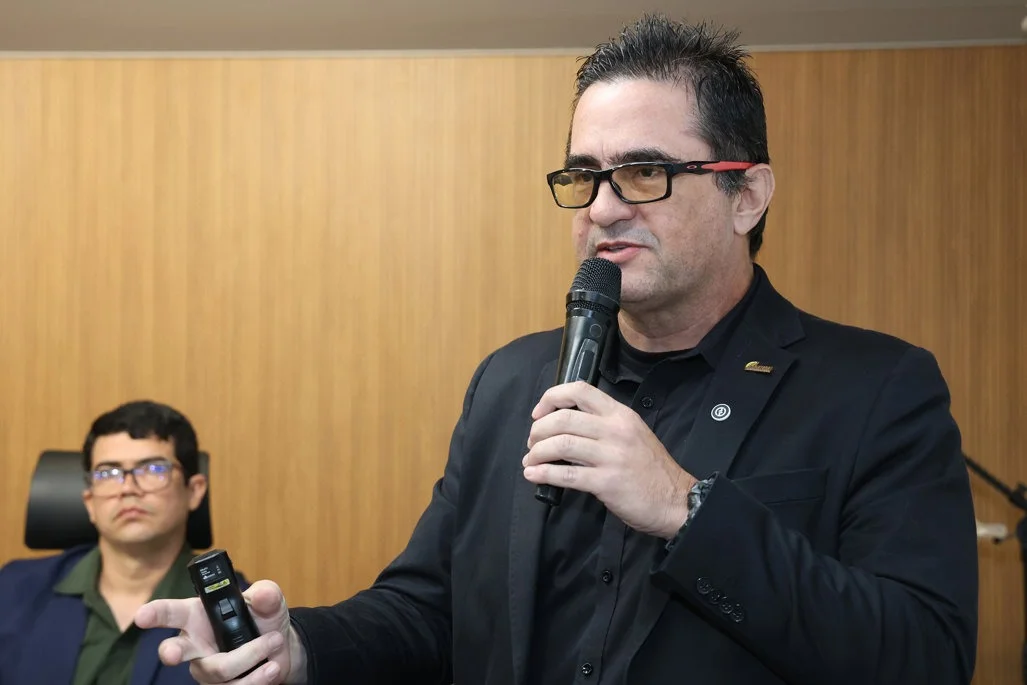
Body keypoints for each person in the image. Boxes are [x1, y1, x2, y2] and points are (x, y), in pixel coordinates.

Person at [136, 13, 979, 685]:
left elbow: (923, 654)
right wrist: (298, 649)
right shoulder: (512, 381)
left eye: (644, 172)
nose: (603, 208)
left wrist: (687, 509)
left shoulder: (875, 388)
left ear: (745, 194)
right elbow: (430, 610)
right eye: (584, 176)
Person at [0, 400, 218, 685]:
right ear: (89, 502)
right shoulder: (13, 590)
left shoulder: (230, 606)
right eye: (108, 473)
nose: (127, 488)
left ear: (194, 490)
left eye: (153, 469)